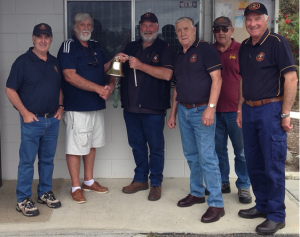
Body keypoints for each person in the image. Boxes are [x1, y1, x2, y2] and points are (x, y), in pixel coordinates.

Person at [236, 2, 298, 235]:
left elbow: (291, 79)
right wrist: (241, 107)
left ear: (266, 19)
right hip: (250, 110)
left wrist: (285, 113)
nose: (252, 23)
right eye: (248, 19)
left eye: (257, 19)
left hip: (271, 111)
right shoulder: (244, 47)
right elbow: (243, 79)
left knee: (273, 164)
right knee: (254, 162)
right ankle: (262, 205)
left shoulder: (276, 42)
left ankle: (276, 215)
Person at [57, 13, 126, 204]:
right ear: (74, 27)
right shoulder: (68, 46)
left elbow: (105, 67)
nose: (86, 27)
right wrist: (98, 88)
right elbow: (70, 76)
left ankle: (88, 181)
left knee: (91, 144)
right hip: (76, 106)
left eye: (89, 24)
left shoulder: (95, 45)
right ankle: (75, 187)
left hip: (96, 104)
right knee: (75, 147)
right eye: (82, 24)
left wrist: (115, 67)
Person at [167, 17, 224, 223]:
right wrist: (173, 114)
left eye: (186, 29)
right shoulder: (178, 56)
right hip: (183, 110)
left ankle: (217, 204)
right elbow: (178, 88)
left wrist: (210, 108)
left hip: (202, 110)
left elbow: (217, 79)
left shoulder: (205, 49)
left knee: (207, 156)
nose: (182, 33)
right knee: (191, 154)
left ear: (194, 30)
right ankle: (197, 193)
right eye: (179, 30)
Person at [6, 23, 62, 216]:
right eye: (39, 37)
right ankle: (22, 200)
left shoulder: (55, 62)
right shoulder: (22, 61)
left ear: (51, 39)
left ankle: (44, 192)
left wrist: (61, 107)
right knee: (27, 162)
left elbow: (60, 88)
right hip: (32, 122)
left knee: (47, 160)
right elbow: (10, 89)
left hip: (52, 121)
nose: (43, 40)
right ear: (33, 38)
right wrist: (24, 112)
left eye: (47, 37)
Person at [118, 12, 175, 201]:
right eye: (144, 25)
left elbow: (167, 74)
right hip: (131, 108)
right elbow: (120, 74)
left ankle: (156, 183)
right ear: (139, 27)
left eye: (151, 25)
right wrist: (118, 61)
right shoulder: (131, 46)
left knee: (156, 147)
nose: (148, 29)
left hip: (153, 109)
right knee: (137, 146)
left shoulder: (165, 47)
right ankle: (141, 179)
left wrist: (141, 65)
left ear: (157, 28)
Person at [212, 16, 252, 203]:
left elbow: (248, 80)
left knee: (241, 152)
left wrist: (241, 108)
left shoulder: (242, 50)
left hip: (236, 111)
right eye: (217, 29)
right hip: (214, 111)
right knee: (218, 150)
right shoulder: (209, 51)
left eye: (225, 29)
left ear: (232, 30)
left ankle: (244, 186)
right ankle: (223, 182)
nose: (221, 32)